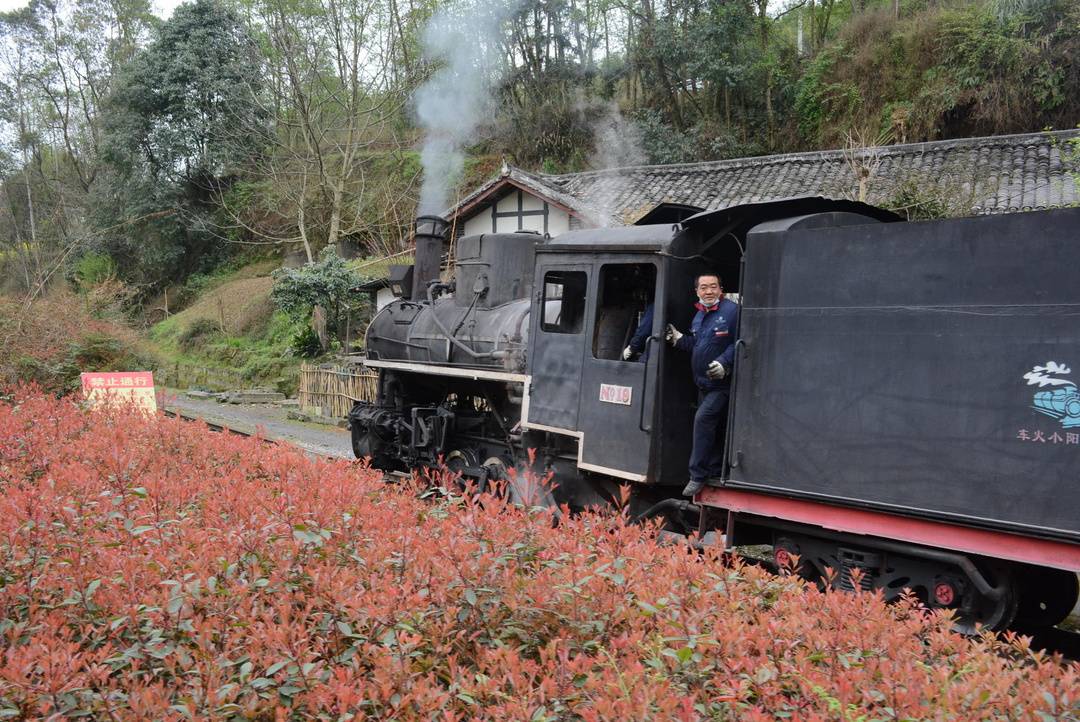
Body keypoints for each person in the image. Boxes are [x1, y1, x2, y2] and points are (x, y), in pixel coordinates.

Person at [667, 273, 739, 496]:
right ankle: (714, 469)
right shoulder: (699, 315)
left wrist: (724, 363)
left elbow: (741, 341)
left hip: (723, 384)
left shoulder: (732, 312)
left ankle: (697, 475)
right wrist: (679, 340)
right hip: (703, 384)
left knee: (704, 419)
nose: (709, 292)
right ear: (697, 291)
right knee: (713, 428)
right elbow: (698, 345)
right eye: (704, 288)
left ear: (721, 289)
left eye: (713, 287)